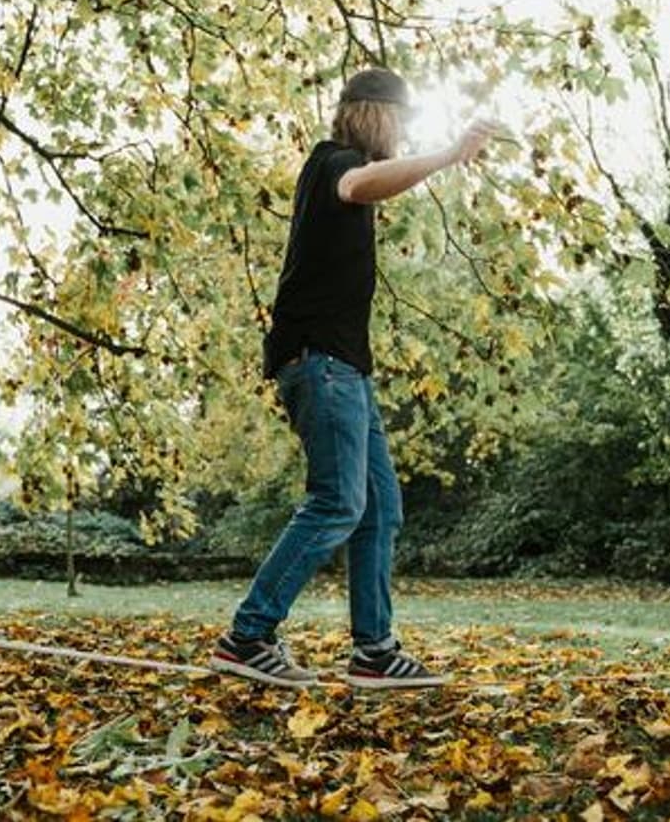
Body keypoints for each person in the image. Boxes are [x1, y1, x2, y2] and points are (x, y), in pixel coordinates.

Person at [210, 68, 498, 689]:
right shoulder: (332, 162)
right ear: (374, 114)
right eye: (400, 121)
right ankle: (248, 636)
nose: (400, 135)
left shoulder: (348, 171)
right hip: (320, 363)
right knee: (338, 501)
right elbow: (363, 183)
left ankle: (374, 650)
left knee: (379, 511)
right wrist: (448, 154)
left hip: (346, 370)